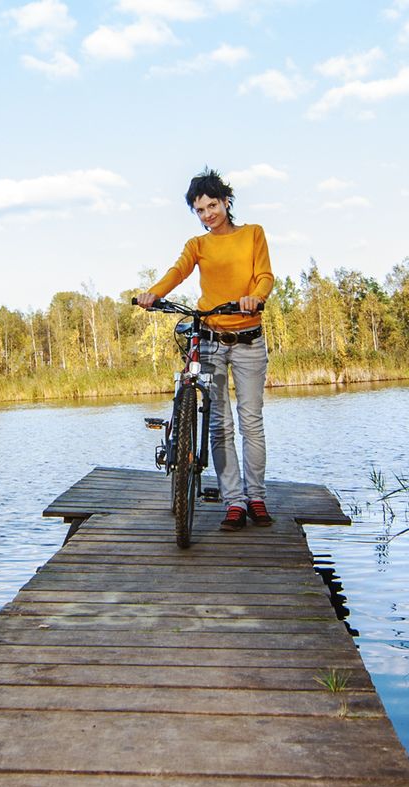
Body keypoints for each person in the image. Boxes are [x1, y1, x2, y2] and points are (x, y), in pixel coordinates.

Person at [135, 168, 275, 532]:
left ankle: (256, 497)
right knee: (220, 424)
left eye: (212, 205)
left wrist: (255, 298)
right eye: (200, 210)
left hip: (248, 339)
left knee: (251, 422)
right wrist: (155, 293)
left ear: (226, 201)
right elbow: (177, 271)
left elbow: (265, 275)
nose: (208, 214)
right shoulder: (198, 245)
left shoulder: (252, 234)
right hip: (211, 339)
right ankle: (234, 502)